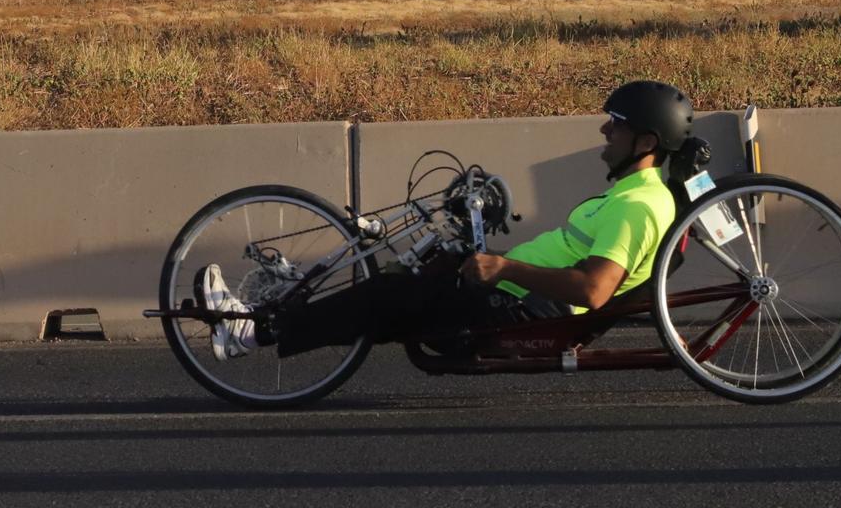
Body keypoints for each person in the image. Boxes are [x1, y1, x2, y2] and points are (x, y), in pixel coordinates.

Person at [197, 80, 691, 359]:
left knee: (390, 297)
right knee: (408, 276)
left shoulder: (637, 206)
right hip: (513, 292)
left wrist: (505, 269)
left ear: (646, 142)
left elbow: (593, 291)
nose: (605, 129)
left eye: (617, 125)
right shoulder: (635, 195)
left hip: (523, 309)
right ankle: (283, 312)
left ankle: (253, 332)